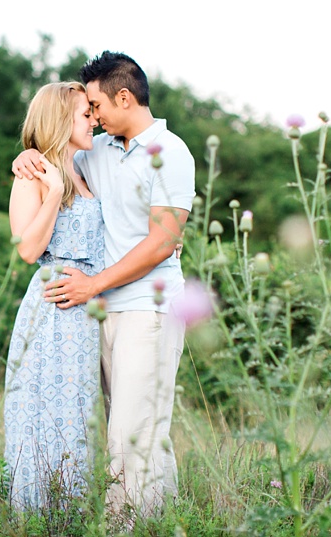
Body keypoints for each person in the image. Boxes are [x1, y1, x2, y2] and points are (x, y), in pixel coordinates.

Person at [12, 51, 195, 515]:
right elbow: (57, 160)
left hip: (145, 307)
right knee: (105, 427)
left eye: (96, 107)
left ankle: (134, 525)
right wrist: (28, 153)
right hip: (97, 310)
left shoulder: (169, 153)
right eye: (85, 111)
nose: (92, 117)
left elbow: (163, 241)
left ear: (124, 97)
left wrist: (93, 285)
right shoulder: (103, 151)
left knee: (135, 432)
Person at [3, 81, 105, 510]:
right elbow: (27, 249)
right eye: (85, 115)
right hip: (55, 308)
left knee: (79, 414)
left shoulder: (86, 167)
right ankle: (39, 514)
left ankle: (74, 510)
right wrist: (54, 194)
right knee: (47, 410)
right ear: (62, 120)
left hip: (90, 309)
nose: (94, 121)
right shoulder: (34, 174)